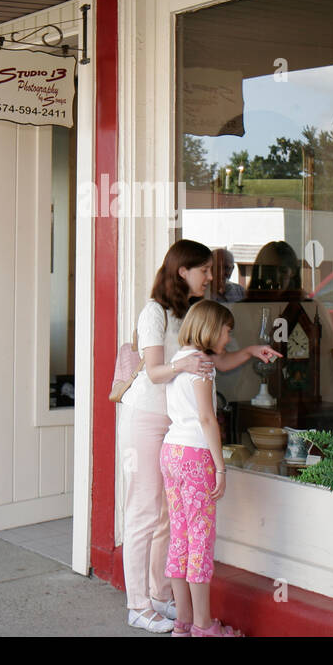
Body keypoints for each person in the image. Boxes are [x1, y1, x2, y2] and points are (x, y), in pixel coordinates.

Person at [118, 239, 279, 633]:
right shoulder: (153, 312)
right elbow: (155, 371)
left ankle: (161, 597)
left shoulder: (189, 313)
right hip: (146, 416)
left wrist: (250, 352)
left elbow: (213, 360)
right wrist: (185, 365)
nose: (211, 276)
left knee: (167, 519)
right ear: (181, 271)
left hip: (174, 426)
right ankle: (137, 605)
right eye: (204, 270)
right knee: (142, 511)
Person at [161, 300, 245, 636]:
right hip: (196, 456)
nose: (228, 336)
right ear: (211, 328)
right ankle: (204, 626)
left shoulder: (180, 360)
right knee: (200, 540)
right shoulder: (203, 367)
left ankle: (183, 621)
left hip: (171, 451)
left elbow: (225, 362)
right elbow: (207, 419)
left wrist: (251, 351)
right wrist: (221, 467)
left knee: (179, 536)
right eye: (227, 329)